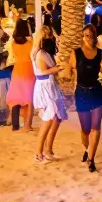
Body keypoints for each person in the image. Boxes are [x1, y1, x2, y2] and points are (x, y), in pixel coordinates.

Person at [68, 24, 102, 173]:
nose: (90, 39)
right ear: (83, 37)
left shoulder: (100, 53)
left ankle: (91, 159)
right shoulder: (76, 53)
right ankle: (87, 149)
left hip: (96, 92)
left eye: (92, 36)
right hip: (82, 93)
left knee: (95, 127)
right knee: (85, 129)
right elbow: (69, 71)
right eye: (87, 36)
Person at [31, 25, 68, 163]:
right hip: (45, 86)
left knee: (57, 118)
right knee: (48, 119)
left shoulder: (46, 52)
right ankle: (38, 153)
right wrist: (57, 68)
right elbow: (43, 70)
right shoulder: (40, 53)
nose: (51, 38)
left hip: (51, 85)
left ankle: (48, 150)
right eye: (48, 36)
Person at [6, 19, 36, 131]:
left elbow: (12, 56)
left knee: (15, 97)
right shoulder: (31, 44)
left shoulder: (13, 44)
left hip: (17, 70)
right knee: (29, 98)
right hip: (28, 70)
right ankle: (28, 125)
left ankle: (15, 125)